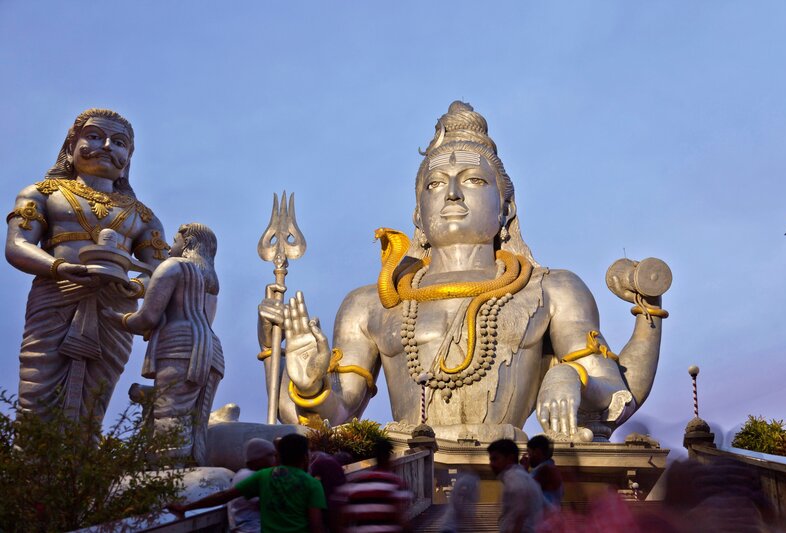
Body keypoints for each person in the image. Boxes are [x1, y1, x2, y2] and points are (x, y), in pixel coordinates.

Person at [259, 101, 669, 443]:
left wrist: (567, 375)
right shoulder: (371, 304)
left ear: (505, 207)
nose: (452, 193)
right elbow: (336, 415)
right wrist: (309, 385)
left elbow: (614, 392)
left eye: (473, 179)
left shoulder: (550, 290)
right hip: (406, 467)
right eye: (435, 184)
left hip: (508, 466)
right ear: (417, 213)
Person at [5, 108, 167, 423]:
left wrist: (135, 287)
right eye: (94, 136)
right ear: (70, 146)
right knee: (37, 397)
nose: (107, 146)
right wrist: (59, 268)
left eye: (119, 143)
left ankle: (86, 466)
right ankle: (31, 465)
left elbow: (161, 274)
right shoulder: (43, 194)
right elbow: (17, 245)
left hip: (114, 311)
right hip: (56, 296)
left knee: (93, 403)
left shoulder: (143, 217)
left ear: (128, 159)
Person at [106, 223, 224, 465]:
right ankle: (190, 470)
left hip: (180, 347)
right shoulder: (211, 280)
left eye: (175, 240)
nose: (171, 247)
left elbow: (147, 317)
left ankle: (167, 477)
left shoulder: (174, 267)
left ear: (188, 243)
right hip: (211, 351)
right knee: (195, 422)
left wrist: (115, 318)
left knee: (168, 416)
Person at [168, 433, 326, 533]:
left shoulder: (264, 476)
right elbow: (316, 526)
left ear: (279, 456)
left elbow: (223, 496)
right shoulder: (313, 484)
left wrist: (186, 507)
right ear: (305, 457)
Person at [335, 438, 411, 533]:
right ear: (388, 457)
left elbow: (341, 520)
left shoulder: (354, 483)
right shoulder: (395, 483)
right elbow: (400, 518)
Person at [488, 439, 543, 533]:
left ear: (510, 458)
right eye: (491, 460)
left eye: (495, 459)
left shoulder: (513, 478)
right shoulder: (521, 476)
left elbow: (519, 514)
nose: (491, 464)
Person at [227, 438, 278, 533]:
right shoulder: (249, 476)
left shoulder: (244, 473)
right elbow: (272, 504)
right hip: (251, 529)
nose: (274, 459)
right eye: (270, 455)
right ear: (257, 459)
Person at [522, 435, 563, 510]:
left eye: (529, 452)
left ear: (537, 452)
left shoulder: (546, 470)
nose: (527, 457)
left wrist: (523, 470)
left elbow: (524, 491)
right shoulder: (547, 468)